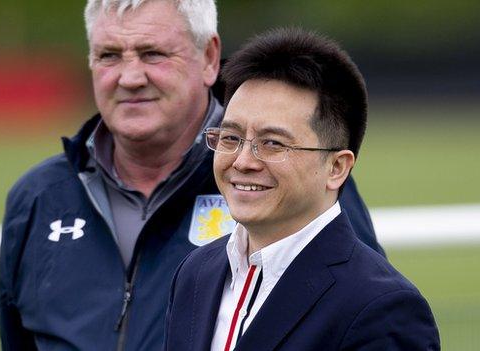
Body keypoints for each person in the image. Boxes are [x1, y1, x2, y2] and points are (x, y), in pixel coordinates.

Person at [0, 1, 383, 350]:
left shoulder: (287, 183)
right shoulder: (40, 197)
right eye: (109, 55)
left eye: (153, 54)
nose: (130, 77)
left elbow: (355, 314)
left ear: (209, 58)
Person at [164, 28, 440, 351]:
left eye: (272, 143)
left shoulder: (382, 308)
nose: (242, 161)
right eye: (230, 138)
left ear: (337, 168)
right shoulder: (195, 274)